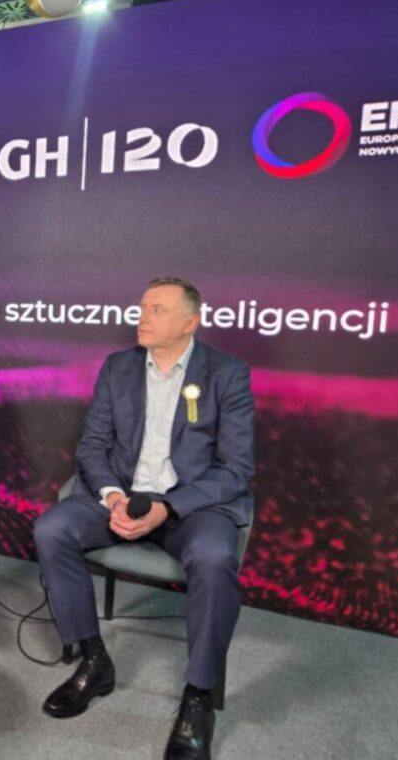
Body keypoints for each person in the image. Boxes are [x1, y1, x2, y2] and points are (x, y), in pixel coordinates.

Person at [34, 278, 255, 760]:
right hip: (122, 496)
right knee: (51, 529)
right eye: (142, 307)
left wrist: (167, 508)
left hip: (191, 507)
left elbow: (235, 470)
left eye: (158, 309)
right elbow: (92, 446)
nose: (143, 315)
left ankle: (198, 698)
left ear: (190, 322)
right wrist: (113, 496)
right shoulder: (118, 367)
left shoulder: (227, 373)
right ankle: (94, 659)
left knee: (215, 558)